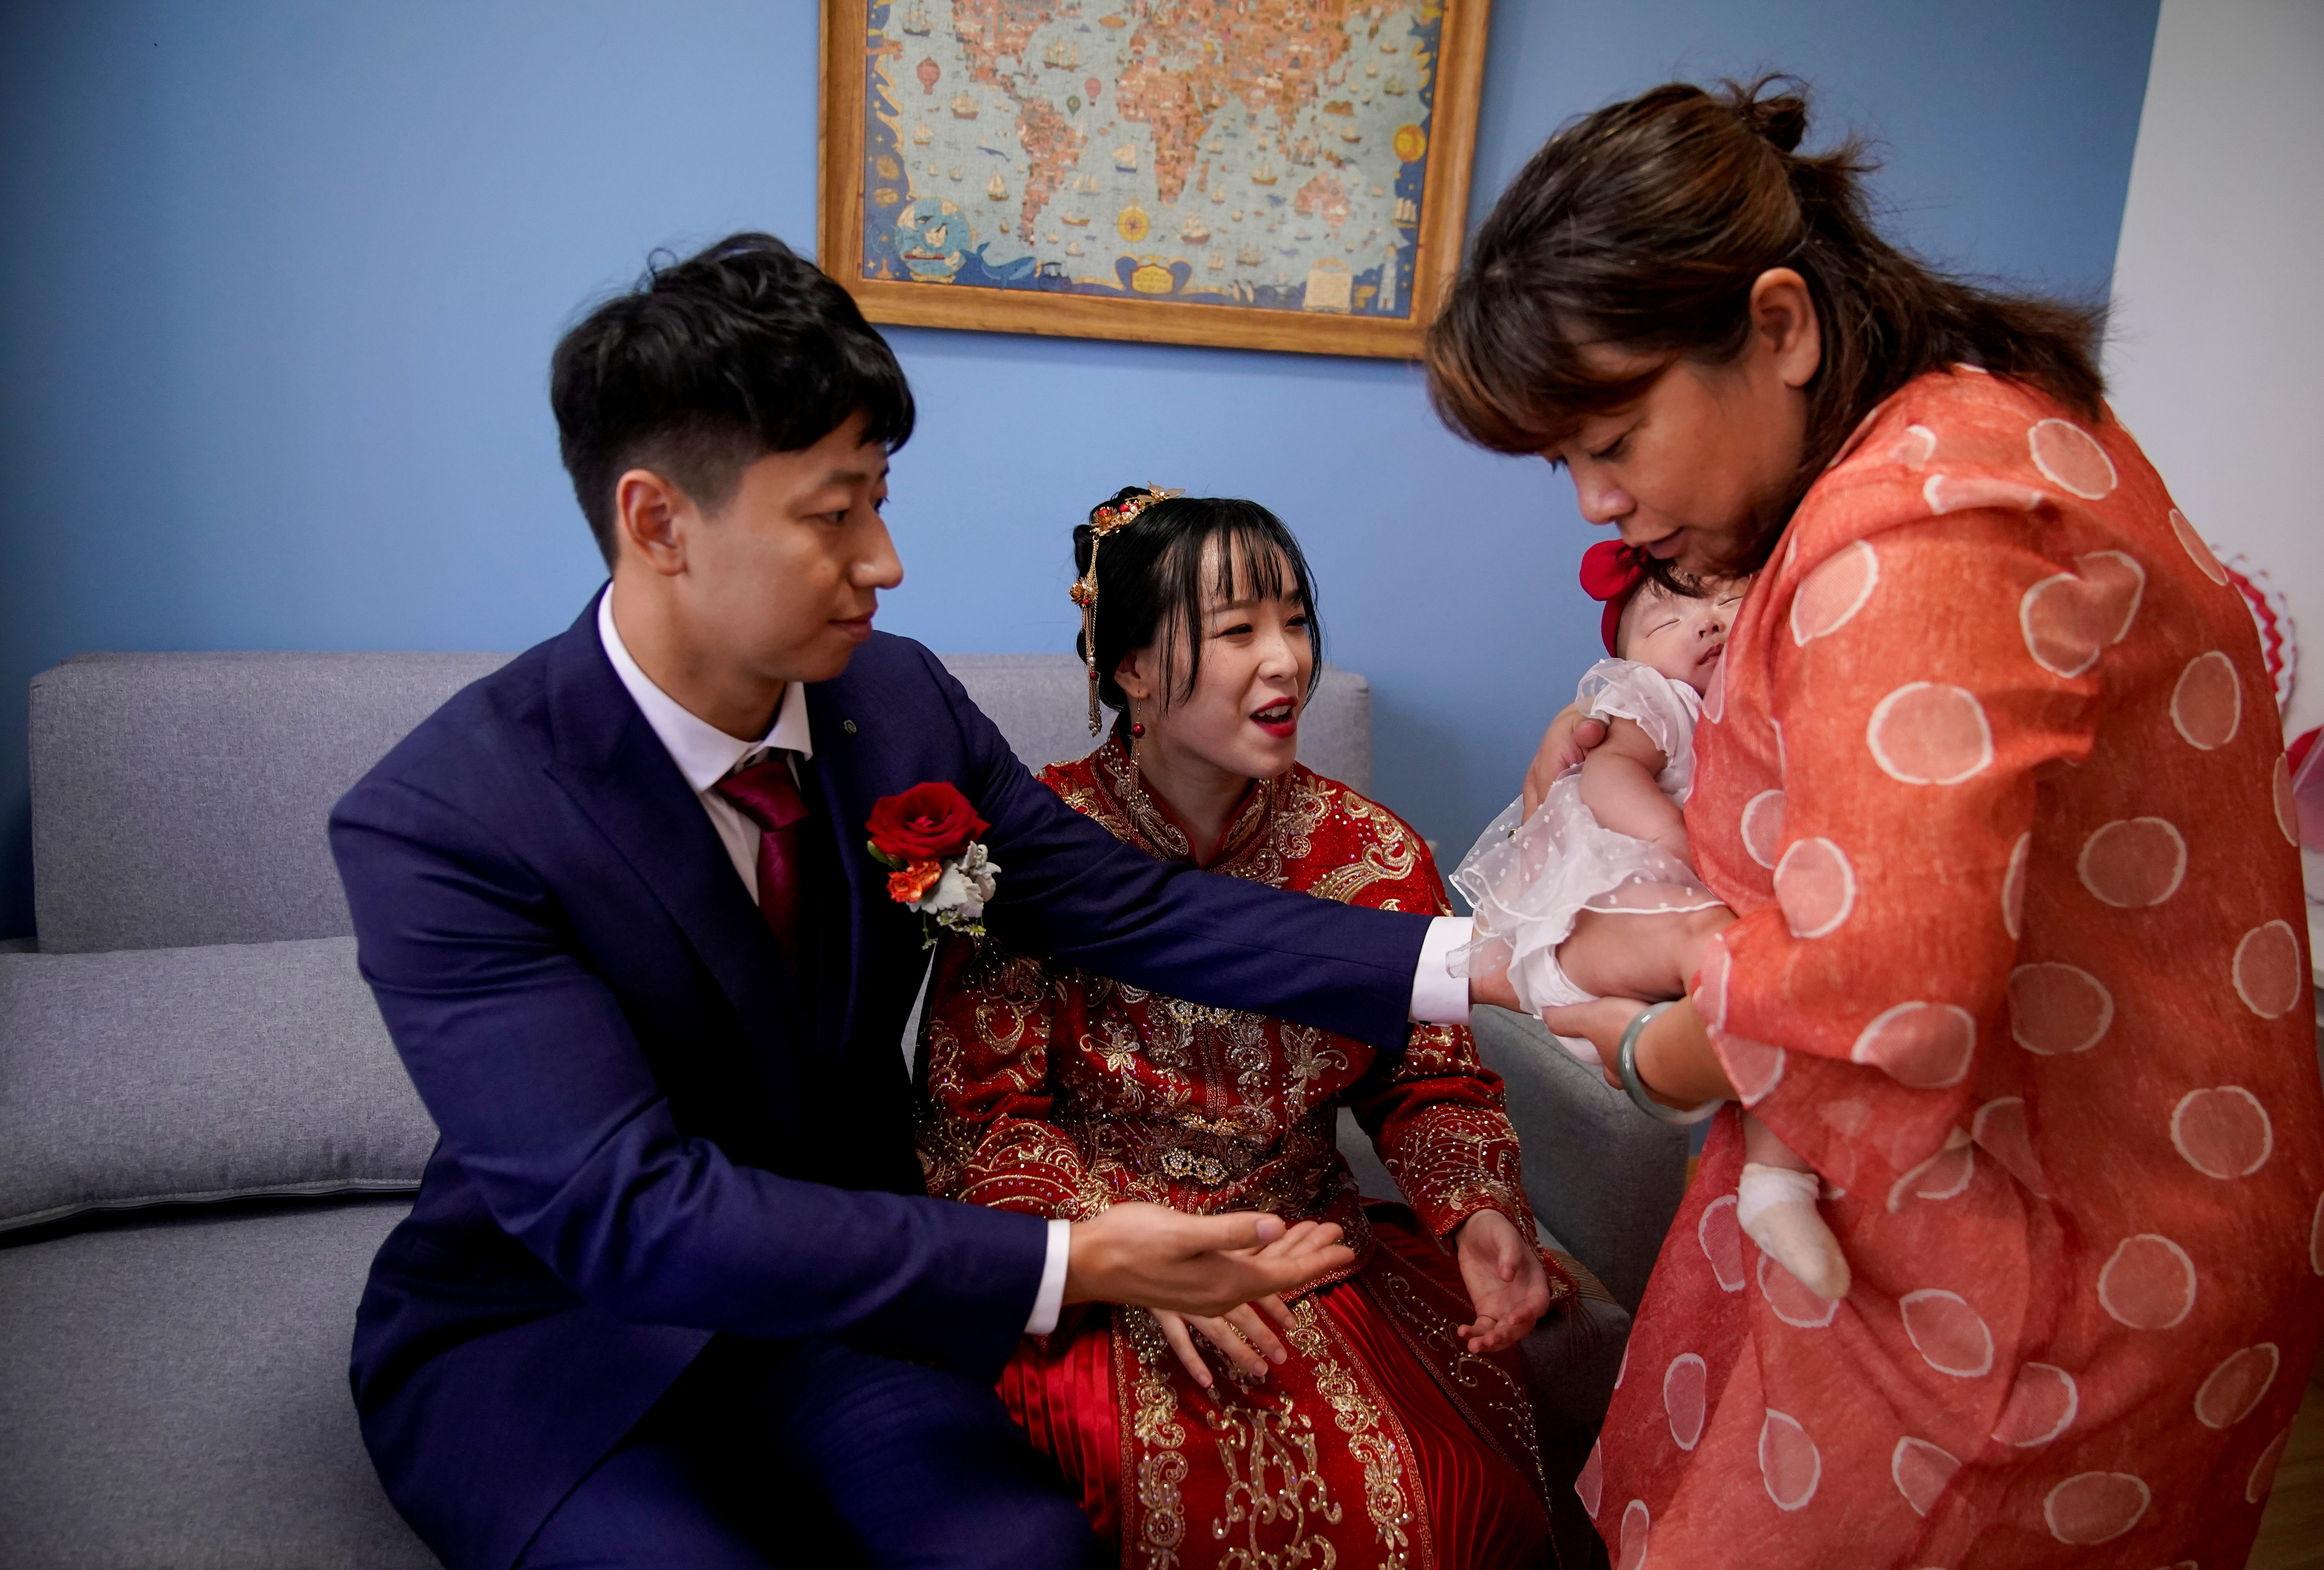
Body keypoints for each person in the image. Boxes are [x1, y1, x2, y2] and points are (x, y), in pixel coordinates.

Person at [329, 236, 1490, 1570]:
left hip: (833, 1318)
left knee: (1022, 1554)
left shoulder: (898, 700)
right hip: (560, 1337)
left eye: (881, 498)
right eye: (834, 516)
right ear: (659, 523)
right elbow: (629, 1215)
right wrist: (1076, 1261)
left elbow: (1131, 909)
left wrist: (1491, 966)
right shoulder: (447, 818)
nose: (885, 561)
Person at [1423, 80, 2324, 1568]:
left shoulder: (1924, 522)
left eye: (1617, 435)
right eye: (1563, 461)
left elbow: (1888, 986)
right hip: (1959, 1199)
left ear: (1779, 328)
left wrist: (1650, 1048)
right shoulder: (1951, 447)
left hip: (2051, 1262)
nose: (1595, 502)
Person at [918, 488, 1578, 1568]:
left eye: (1297, 622)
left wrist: (1475, 1214)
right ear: (1129, 667)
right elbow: (980, 1112)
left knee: (1444, 1506)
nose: (1286, 663)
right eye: (1237, 631)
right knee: (1120, 1486)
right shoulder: (1038, 852)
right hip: (1104, 1260)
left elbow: (1428, 1081)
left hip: (1308, 1254)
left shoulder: (1368, 852)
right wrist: (1114, 1250)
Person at [1453, 549, 1849, 1300]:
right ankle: (1599, 1027)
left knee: (1763, 986)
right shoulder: (1654, 696)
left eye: (1726, 605)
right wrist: (1672, 838)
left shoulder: (1763, 698)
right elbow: (1608, 772)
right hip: (1603, 897)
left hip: (1648, 922)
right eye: (1670, 617)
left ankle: (1777, 1175)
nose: (1705, 622)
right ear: (1626, 653)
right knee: (1734, 962)